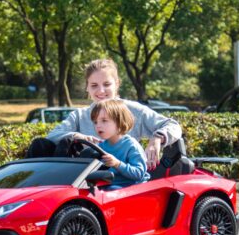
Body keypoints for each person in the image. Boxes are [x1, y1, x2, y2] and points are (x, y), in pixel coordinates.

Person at [26, 58, 182, 170]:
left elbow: (173, 125)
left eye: (106, 84)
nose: (101, 91)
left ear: (117, 84)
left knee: (89, 153)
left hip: (117, 174)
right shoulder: (80, 116)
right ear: (87, 88)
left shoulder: (133, 110)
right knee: (40, 145)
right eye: (94, 85)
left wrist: (157, 138)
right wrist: (76, 136)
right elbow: (53, 135)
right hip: (80, 178)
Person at [91, 99, 149, 190]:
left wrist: (117, 164)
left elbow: (139, 173)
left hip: (133, 189)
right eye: (95, 122)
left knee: (110, 190)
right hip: (109, 186)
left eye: (104, 120)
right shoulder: (100, 147)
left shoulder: (131, 145)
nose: (98, 125)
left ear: (119, 122)